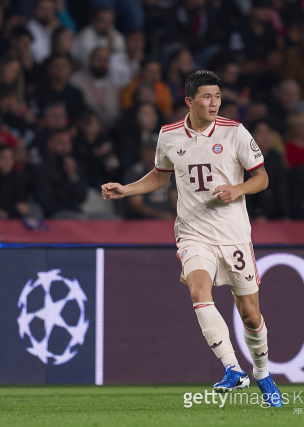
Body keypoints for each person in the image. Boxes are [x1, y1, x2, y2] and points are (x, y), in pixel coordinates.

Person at [101, 70, 283, 407]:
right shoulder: (169, 135)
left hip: (233, 235)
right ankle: (232, 369)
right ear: (189, 101)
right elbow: (160, 175)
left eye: (217, 96)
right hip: (193, 231)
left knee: (250, 315)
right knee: (198, 290)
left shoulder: (234, 132)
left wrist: (238, 188)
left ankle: (262, 373)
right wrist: (125, 189)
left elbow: (263, 177)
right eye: (206, 97)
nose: (214, 103)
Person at [34, 128, 88, 218]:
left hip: (76, 212)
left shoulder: (75, 166)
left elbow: (82, 197)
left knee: (107, 219)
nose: (66, 148)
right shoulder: (42, 169)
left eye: (68, 143)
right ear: (50, 144)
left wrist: (73, 176)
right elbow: (49, 203)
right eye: (61, 143)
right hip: (53, 217)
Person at [122, 138, 176, 220]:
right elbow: (137, 205)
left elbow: (174, 199)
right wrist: (161, 216)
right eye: (153, 150)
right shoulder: (135, 173)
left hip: (168, 220)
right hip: (141, 222)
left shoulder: (169, 171)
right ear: (143, 152)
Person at [0, 145, 29, 219]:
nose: (7, 162)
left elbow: (21, 204)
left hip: (12, 218)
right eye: (3, 158)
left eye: (10, 158)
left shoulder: (18, 178)